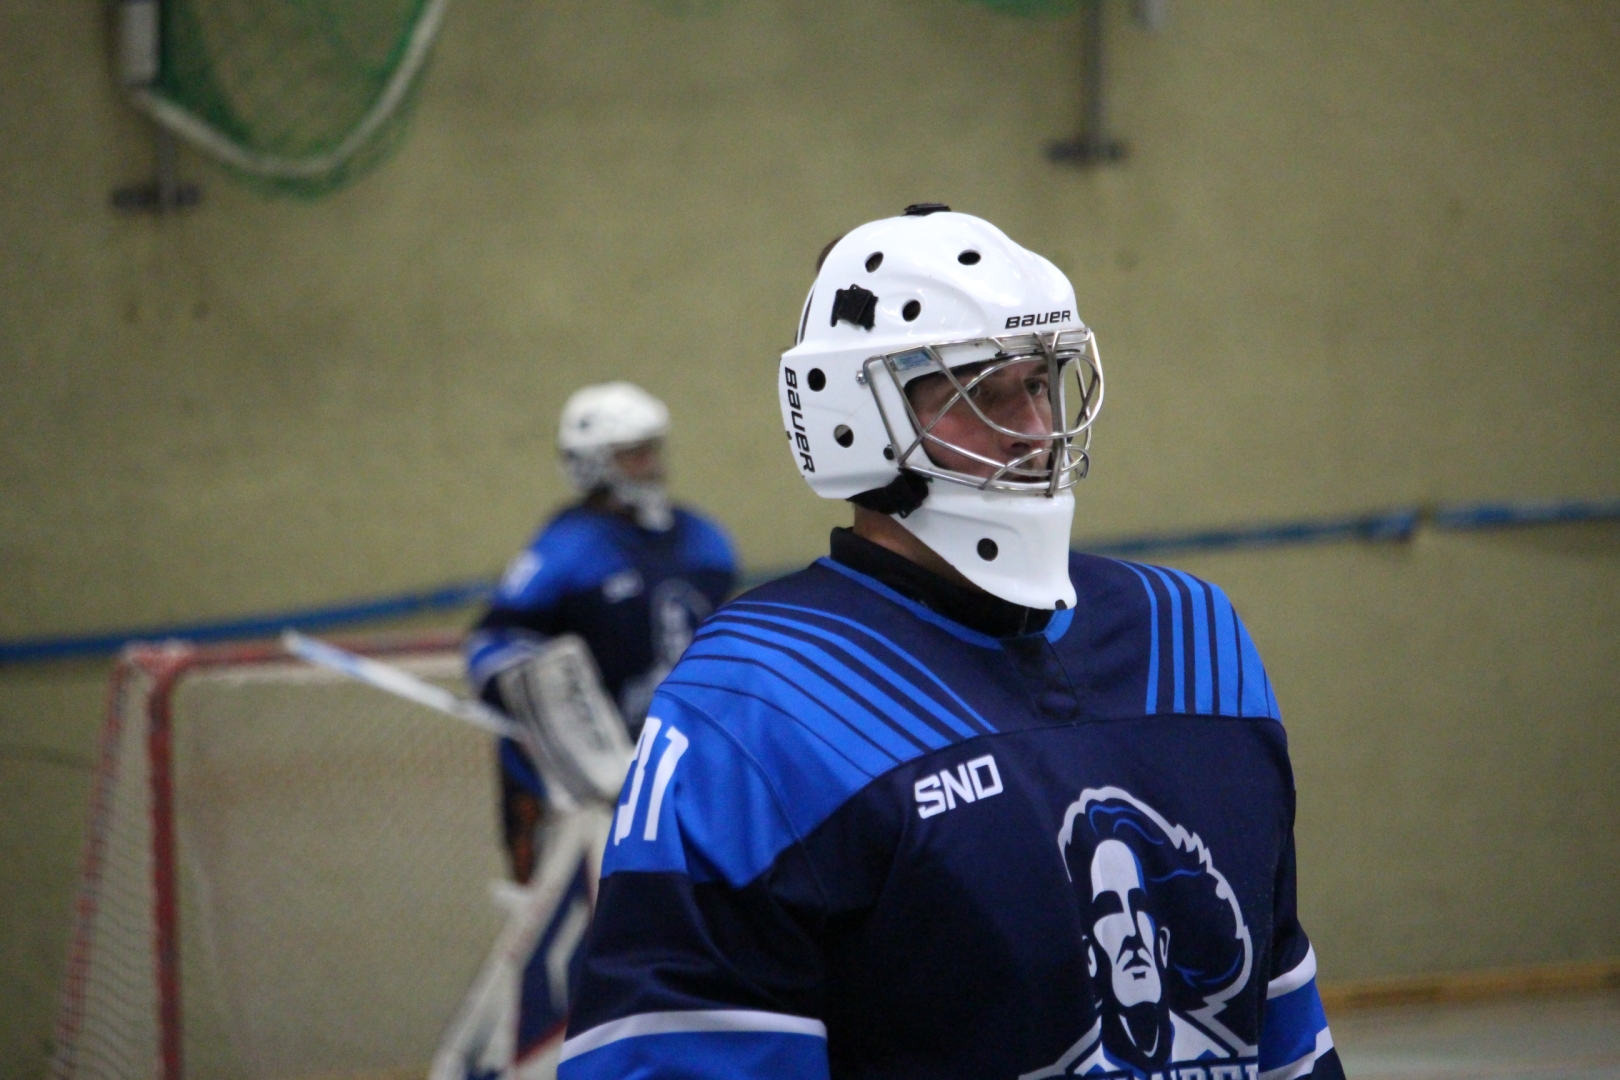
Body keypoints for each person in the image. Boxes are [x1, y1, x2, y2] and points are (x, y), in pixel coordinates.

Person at [557, 206, 1343, 1080]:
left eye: (1040, 383)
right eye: (984, 394)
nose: (1036, 431)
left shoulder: (1195, 634)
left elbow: (1280, 1021)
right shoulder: (756, 696)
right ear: (854, 417)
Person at [463, 381, 737, 1068]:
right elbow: (494, 643)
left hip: (682, 774)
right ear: (592, 463)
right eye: (630, 452)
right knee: (587, 942)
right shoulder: (569, 546)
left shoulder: (703, 537)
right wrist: (532, 693)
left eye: (650, 448)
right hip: (586, 794)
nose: (649, 463)